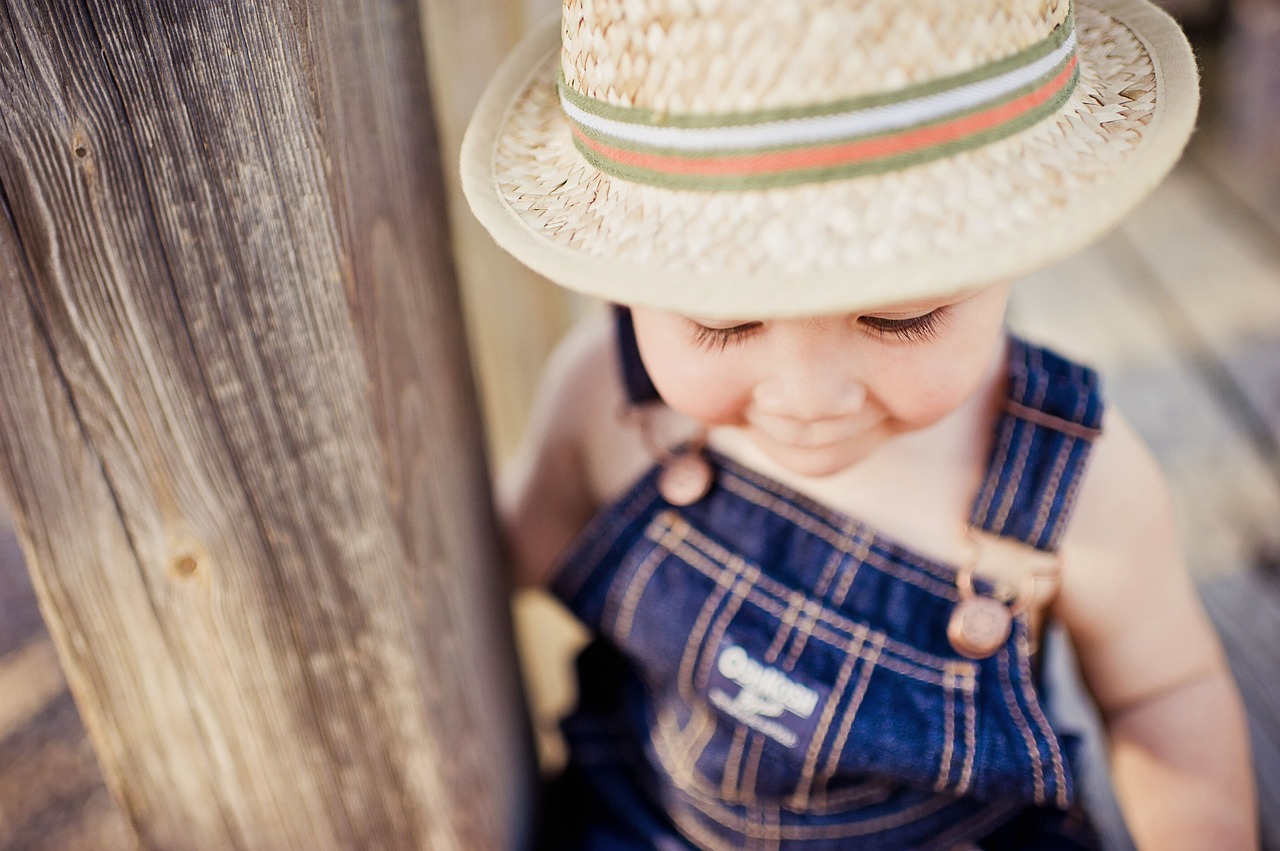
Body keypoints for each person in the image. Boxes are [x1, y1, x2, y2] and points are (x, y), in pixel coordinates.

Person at [460, 0, 1258, 847]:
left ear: (1018, 249)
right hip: (651, 823)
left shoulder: (1077, 487)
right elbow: (493, 564)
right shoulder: (611, 406)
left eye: (900, 318)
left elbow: (1162, 696)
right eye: (723, 321)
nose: (807, 396)